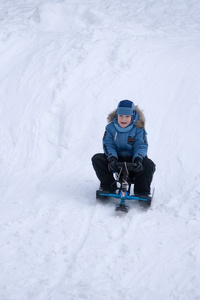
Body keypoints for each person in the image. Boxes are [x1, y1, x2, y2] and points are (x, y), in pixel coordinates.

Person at [91, 99, 155, 196]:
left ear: (132, 116)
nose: (123, 119)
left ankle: (142, 191)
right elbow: (108, 144)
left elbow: (141, 145)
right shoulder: (110, 128)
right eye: (121, 116)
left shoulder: (138, 129)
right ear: (117, 115)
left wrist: (138, 159)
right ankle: (108, 187)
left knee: (148, 164)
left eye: (127, 116)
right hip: (116, 160)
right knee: (97, 159)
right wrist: (112, 158)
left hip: (133, 161)